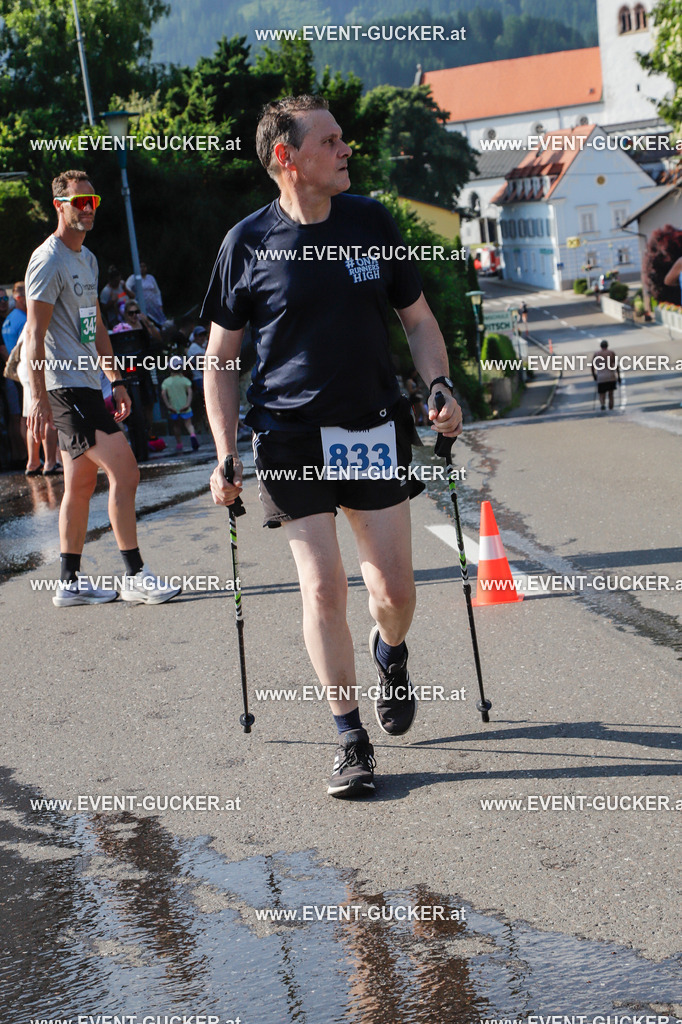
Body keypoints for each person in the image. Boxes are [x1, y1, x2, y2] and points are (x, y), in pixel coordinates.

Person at [202, 95, 462, 798]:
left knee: (393, 592)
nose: (346, 149)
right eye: (331, 140)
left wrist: (438, 383)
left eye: (344, 138)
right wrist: (225, 451)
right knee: (322, 584)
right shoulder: (246, 244)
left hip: (369, 428)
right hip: (287, 436)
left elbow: (419, 320)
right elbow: (221, 358)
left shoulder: (371, 222)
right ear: (287, 157)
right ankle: (350, 738)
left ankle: (392, 650)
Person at [24, 168, 181, 607]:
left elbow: (97, 329)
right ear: (60, 206)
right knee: (126, 470)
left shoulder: (87, 259)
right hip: (63, 385)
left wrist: (116, 380)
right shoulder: (48, 259)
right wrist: (36, 396)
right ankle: (134, 575)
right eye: (80, 202)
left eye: (93, 201)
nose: (88, 209)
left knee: (78, 485)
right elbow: (35, 335)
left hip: (89, 383)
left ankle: (70, 583)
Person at [1, 282, 28, 464]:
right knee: (23, 417)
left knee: (16, 417)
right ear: (19, 298)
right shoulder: (22, 319)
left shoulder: (8, 319)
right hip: (19, 373)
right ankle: (28, 457)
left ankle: (22, 456)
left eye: (4, 298)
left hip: (12, 373)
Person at [161, 355, 199, 452]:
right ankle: (192, 435)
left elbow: (163, 394)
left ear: (170, 368)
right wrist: (188, 404)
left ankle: (179, 443)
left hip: (173, 408)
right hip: (185, 407)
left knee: (176, 426)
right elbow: (190, 392)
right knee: (189, 424)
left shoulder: (166, 382)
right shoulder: (185, 381)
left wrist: (168, 405)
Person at [591, 339, 620, 411]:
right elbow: (616, 365)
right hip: (611, 376)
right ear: (607, 346)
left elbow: (592, 366)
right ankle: (611, 407)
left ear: (600, 346)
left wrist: (594, 375)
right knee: (611, 393)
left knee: (602, 393)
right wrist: (618, 376)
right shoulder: (611, 353)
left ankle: (602, 404)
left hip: (601, 377)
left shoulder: (597, 354)